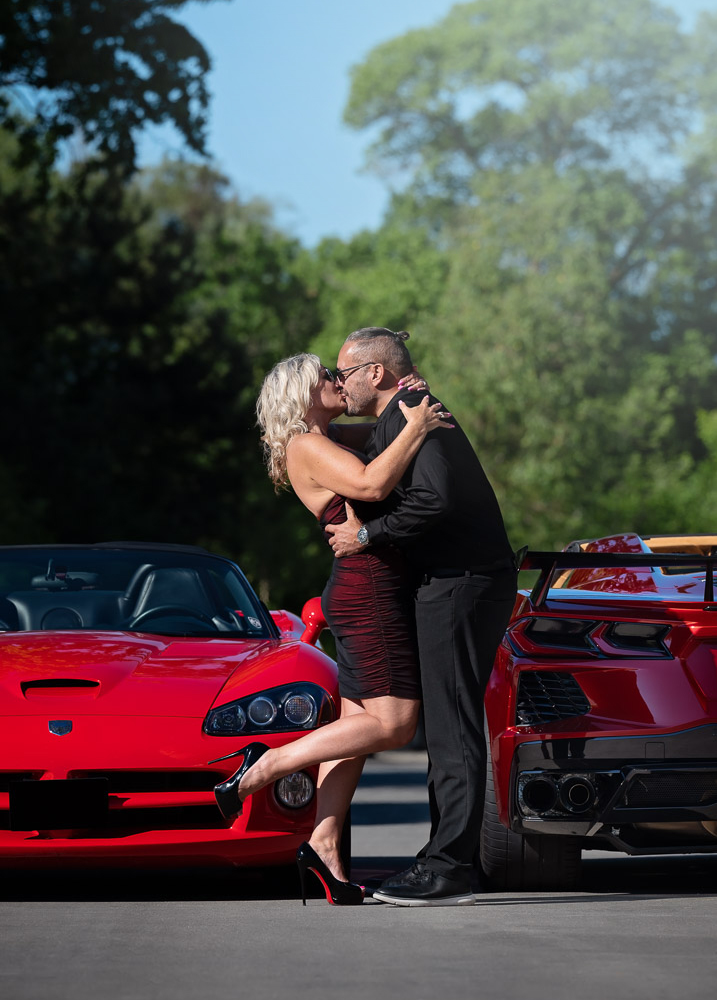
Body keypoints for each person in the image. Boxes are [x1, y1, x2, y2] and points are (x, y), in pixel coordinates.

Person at [211, 352, 452, 906]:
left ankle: (324, 846)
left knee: (356, 730)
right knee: (394, 723)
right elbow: (369, 484)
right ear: (302, 393)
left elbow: (379, 428)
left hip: (363, 587)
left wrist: (401, 397)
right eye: (326, 377)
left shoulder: (328, 435)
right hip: (366, 591)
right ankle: (265, 764)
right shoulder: (306, 444)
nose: (337, 381)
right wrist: (416, 424)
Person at [325, 327, 518, 907]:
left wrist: (368, 534)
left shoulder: (410, 408)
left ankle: (449, 866)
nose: (341, 383)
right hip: (451, 583)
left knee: (453, 724)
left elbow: (436, 499)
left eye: (345, 373)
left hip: (462, 583)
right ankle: (446, 858)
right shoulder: (402, 414)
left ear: (376, 373)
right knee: (447, 722)